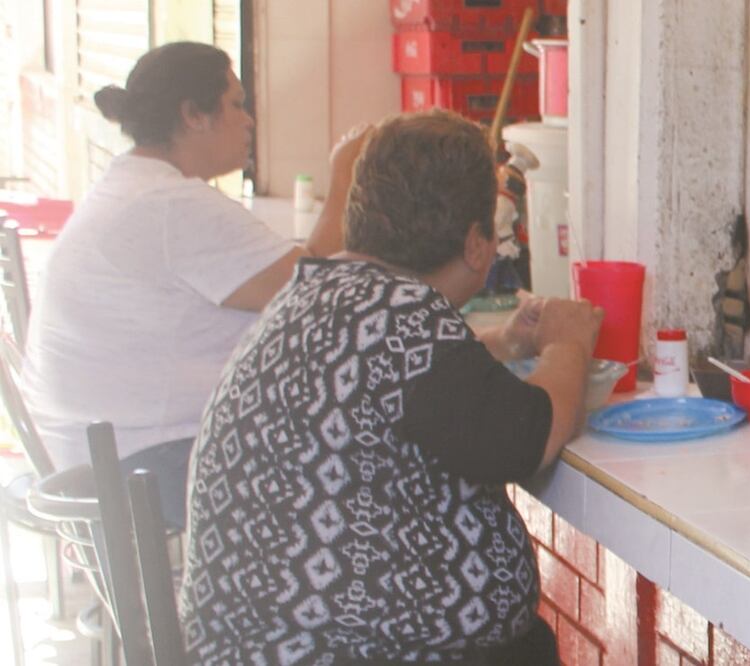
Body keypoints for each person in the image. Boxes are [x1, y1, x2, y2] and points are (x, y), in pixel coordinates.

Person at [179, 109, 603, 665]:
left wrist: (504, 343)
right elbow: (525, 438)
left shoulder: (324, 292)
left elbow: (389, 387)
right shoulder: (400, 316)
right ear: (476, 244)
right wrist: (567, 344)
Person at [21, 42, 365, 525]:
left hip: (97, 457)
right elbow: (315, 288)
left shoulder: (135, 187)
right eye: (237, 104)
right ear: (193, 115)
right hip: (145, 468)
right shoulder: (170, 204)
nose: (249, 121)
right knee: (368, 460)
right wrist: (347, 173)